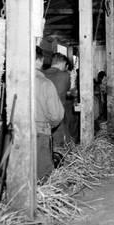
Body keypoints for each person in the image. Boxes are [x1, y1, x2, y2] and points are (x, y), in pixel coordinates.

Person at [35, 46, 64, 179]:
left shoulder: (10, 83)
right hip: (40, 133)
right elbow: (56, 115)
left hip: (13, 135)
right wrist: (49, 126)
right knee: (42, 175)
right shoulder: (45, 83)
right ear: (40, 60)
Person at [43, 52, 71, 147]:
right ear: (63, 64)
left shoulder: (42, 74)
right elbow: (70, 91)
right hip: (58, 118)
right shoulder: (65, 76)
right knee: (61, 146)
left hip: (42, 118)